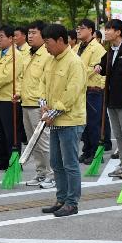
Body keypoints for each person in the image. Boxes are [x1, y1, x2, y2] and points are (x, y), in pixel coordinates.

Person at [40, 23, 87, 218]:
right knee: (56, 163)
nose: (46, 47)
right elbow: (42, 84)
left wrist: (51, 114)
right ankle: (60, 199)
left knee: (70, 164)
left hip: (70, 120)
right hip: (54, 120)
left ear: (60, 40)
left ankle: (71, 202)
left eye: (48, 42)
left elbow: (71, 94)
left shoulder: (74, 62)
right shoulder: (51, 60)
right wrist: (43, 104)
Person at [95, 19, 122, 178]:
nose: (106, 32)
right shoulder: (110, 50)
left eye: (109, 29)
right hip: (111, 99)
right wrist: (98, 67)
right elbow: (104, 68)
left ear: (118, 32)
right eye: (105, 29)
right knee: (118, 133)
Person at [17, 20, 54, 188]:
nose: (30, 36)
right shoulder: (28, 54)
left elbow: (46, 82)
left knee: (44, 142)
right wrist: (18, 93)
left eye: (34, 33)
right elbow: (23, 78)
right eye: (29, 33)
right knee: (33, 142)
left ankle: (52, 174)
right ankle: (41, 173)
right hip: (26, 103)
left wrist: (44, 103)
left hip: (39, 106)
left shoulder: (47, 55)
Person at [75, 18, 107, 164]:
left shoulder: (98, 48)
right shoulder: (77, 47)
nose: (78, 30)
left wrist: (77, 72)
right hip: (81, 89)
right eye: (77, 28)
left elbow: (95, 70)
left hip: (93, 90)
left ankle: (94, 153)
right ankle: (86, 150)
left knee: (93, 123)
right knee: (84, 123)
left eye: (82, 28)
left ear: (91, 31)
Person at [0, 25, 22, 170]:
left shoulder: (16, 55)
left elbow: (6, 77)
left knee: (11, 133)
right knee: (0, 132)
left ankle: (13, 161)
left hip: (9, 100)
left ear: (11, 38)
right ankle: (2, 159)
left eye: (1, 36)